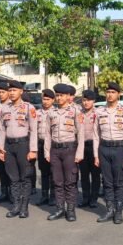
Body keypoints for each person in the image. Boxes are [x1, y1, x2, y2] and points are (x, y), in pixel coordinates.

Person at [93, 82, 123, 224]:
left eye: (113, 92)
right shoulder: (99, 111)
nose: (110, 95)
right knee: (107, 181)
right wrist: (95, 155)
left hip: (119, 149)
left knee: (119, 181)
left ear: (118, 94)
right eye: (108, 92)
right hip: (104, 149)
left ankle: (118, 212)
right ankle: (109, 210)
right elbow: (96, 135)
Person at [45, 83, 85, 222]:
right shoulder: (51, 113)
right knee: (57, 181)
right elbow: (47, 134)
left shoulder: (75, 112)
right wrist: (47, 152)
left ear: (68, 96)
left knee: (70, 182)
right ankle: (60, 209)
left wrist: (79, 153)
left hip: (70, 150)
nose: (59, 98)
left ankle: (70, 210)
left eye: (61, 95)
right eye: (57, 95)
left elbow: (81, 134)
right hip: (55, 150)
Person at [0, 81, 38, 218]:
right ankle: (15, 205)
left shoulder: (29, 108)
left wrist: (33, 150)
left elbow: (34, 130)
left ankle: (24, 207)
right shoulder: (4, 108)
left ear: (21, 91)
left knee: (25, 177)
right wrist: (1, 148)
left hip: (23, 145)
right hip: (9, 146)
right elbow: (3, 130)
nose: (11, 93)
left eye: (14, 90)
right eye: (10, 90)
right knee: (13, 177)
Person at [78, 90, 101, 208]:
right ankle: (85, 198)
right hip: (82, 146)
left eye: (89, 100)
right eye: (84, 100)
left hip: (94, 147)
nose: (86, 103)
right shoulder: (78, 113)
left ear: (93, 101)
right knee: (84, 174)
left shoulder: (98, 113)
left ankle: (94, 199)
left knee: (95, 174)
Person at [37, 89, 56, 206]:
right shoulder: (37, 113)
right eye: (44, 99)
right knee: (44, 171)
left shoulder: (56, 112)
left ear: (53, 100)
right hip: (40, 143)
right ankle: (44, 195)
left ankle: (53, 196)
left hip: (53, 146)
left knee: (53, 171)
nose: (46, 101)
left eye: (48, 99)